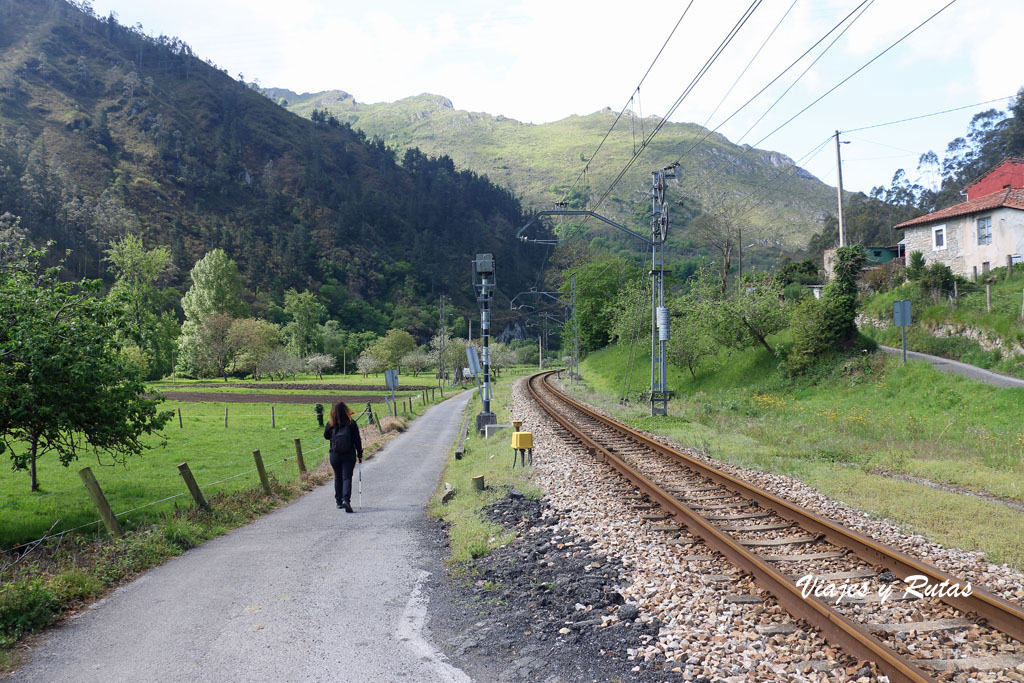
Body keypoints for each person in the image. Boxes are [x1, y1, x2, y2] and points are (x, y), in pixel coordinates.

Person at [324, 401, 363, 512]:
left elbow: (326, 436)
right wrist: (359, 454)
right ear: (346, 410)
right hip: (349, 454)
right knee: (347, 478)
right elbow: (357, 440)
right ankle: (346, 500)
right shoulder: (351, 423)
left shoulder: (330, 424)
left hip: (334, 454)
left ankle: (338, 502)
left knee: (338, 477)